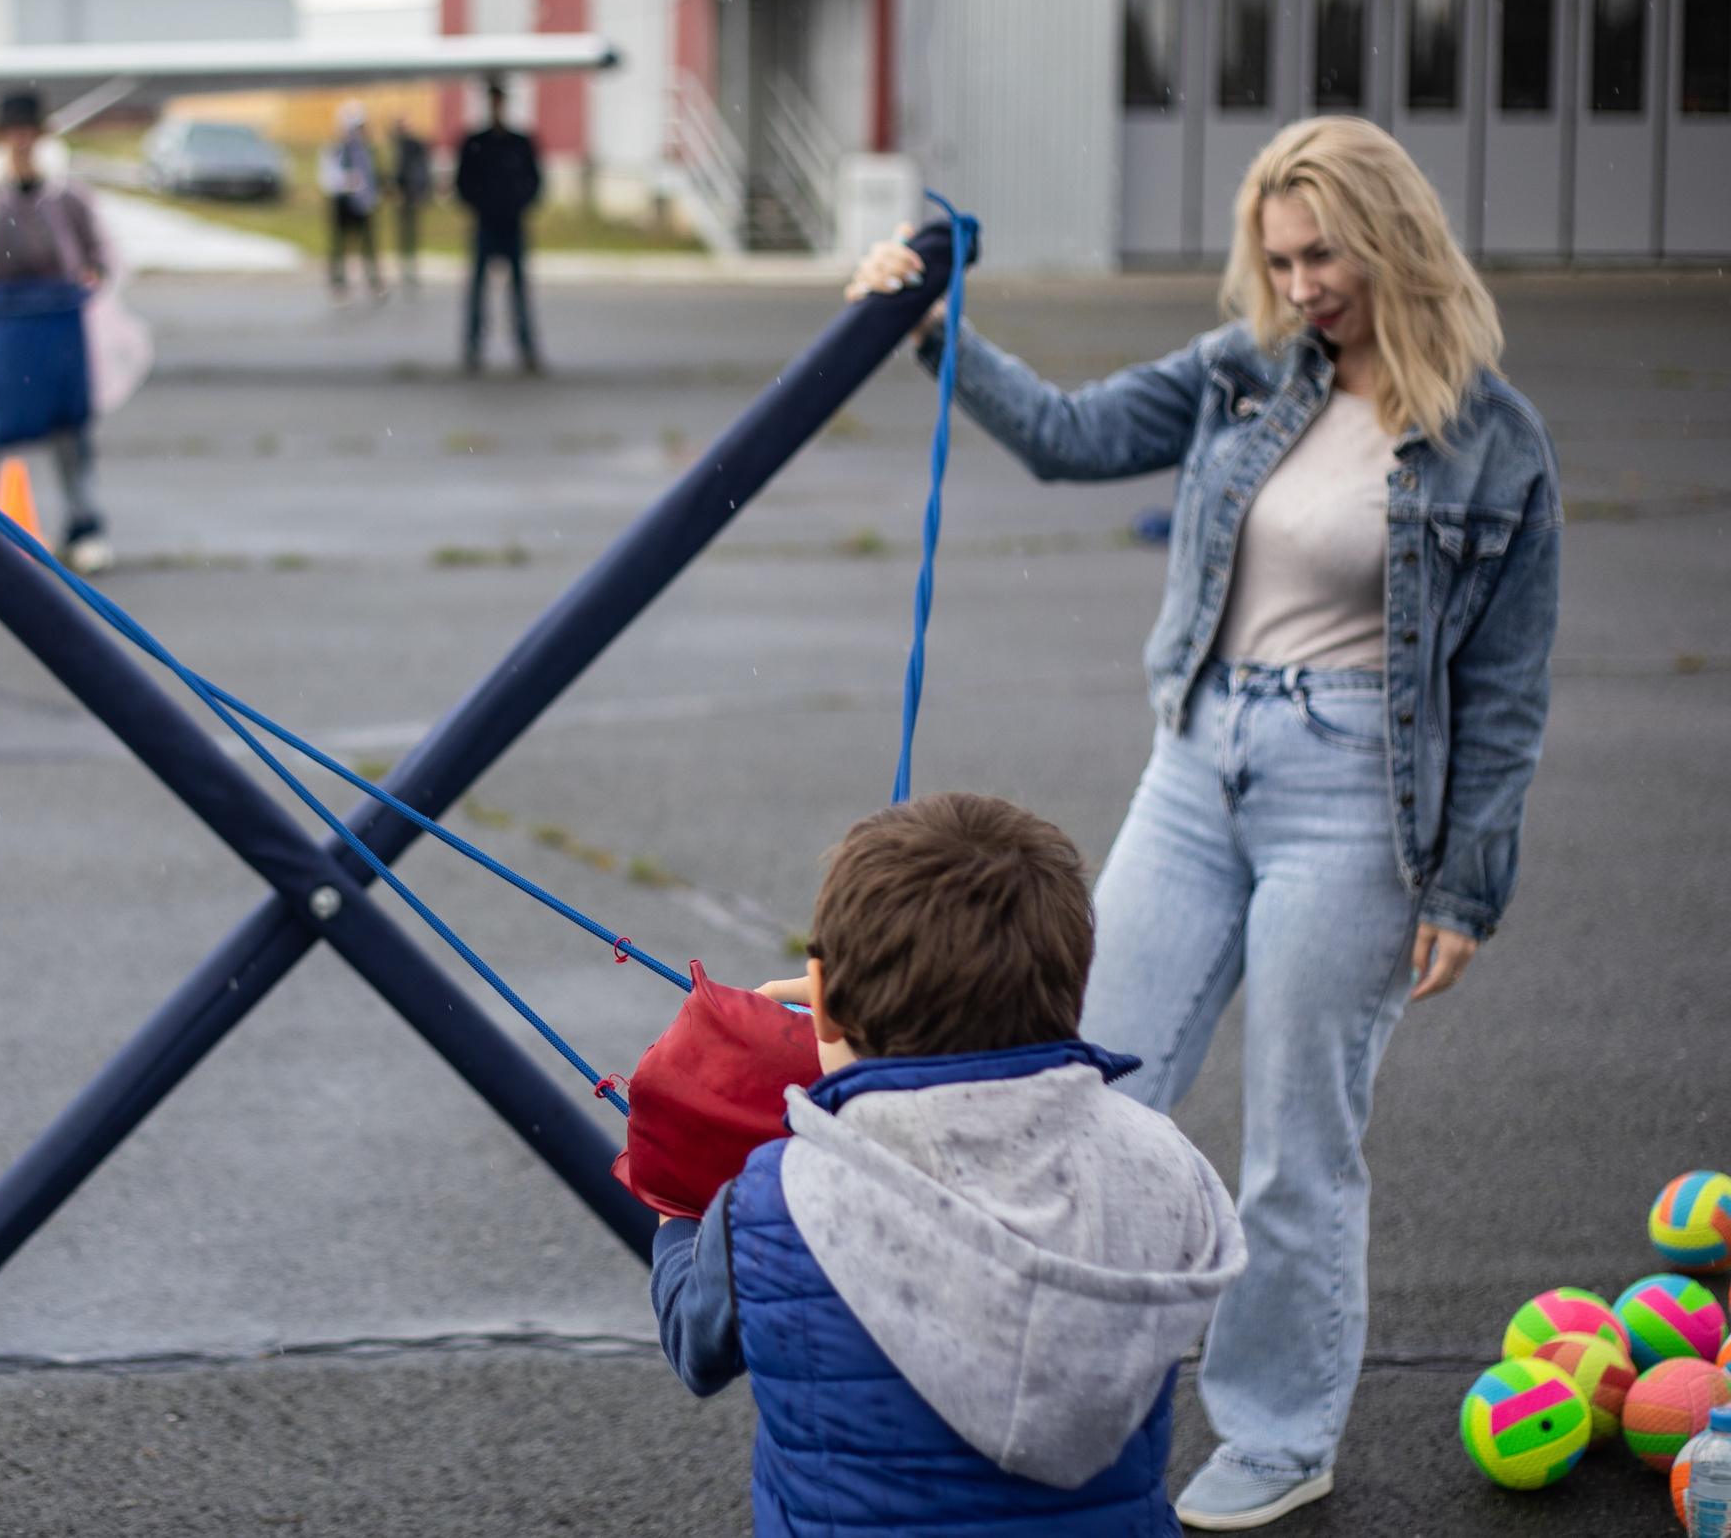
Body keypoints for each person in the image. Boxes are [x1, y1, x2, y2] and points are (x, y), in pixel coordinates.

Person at [849, 116, 1560, 1528]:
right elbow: (1072, 435)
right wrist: (937, 330)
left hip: (1355, 793)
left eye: (1324, 254)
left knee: (1301, 1137)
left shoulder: (1492, 437)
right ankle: (1032, 1382)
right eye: (1280, 257)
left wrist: (1465, 887)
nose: (1301, 284)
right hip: (1199, 757)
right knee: (1082, 1083)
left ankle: (1284, 1430)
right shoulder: (1245, 373)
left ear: (1392, 236)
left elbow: (1507, 687)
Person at [651, 794, 1246, 1536]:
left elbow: (696, 1342)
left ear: (822, 1001)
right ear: (1074, 987)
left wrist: (682, 1211)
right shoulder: (1162, 1160)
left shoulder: (774, 1196)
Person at [0, 90, 115, 575]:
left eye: (28, 132)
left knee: (67, 425)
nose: (20, 141)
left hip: (54, 323)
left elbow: (97, 249)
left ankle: (85, 524)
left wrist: (94, 274)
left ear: (40, 136)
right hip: (0, 327)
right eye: (11, 133)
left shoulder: (66, 194)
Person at [454, 81, 542, 375]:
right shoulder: (475, 142)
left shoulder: (520, 142)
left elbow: (535, 181)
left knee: (518, 289)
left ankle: (526, 348)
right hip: (486, 223)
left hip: (512, 224)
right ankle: (472, 349)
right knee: (477, 288)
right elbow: (462, 183)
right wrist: (481, 204)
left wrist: (518, 204)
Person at [318, 99, 384, 303]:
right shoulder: (336, 149)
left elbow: (373, 176)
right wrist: (347, 182)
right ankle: (338, 284)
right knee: (339, 244)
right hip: (342, 201)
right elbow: (327, 177)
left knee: (368, 245)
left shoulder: (367, 150)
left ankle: (374, 284)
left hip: (363, 203)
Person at [388, 114, 432, 289]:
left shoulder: (413, 145)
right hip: (401, 195)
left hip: (411, 194)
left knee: (410, 234)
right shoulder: (395, 145)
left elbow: (420, 169)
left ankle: (410, 267)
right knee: (402, 234)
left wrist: (419, 191)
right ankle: (404, 267)